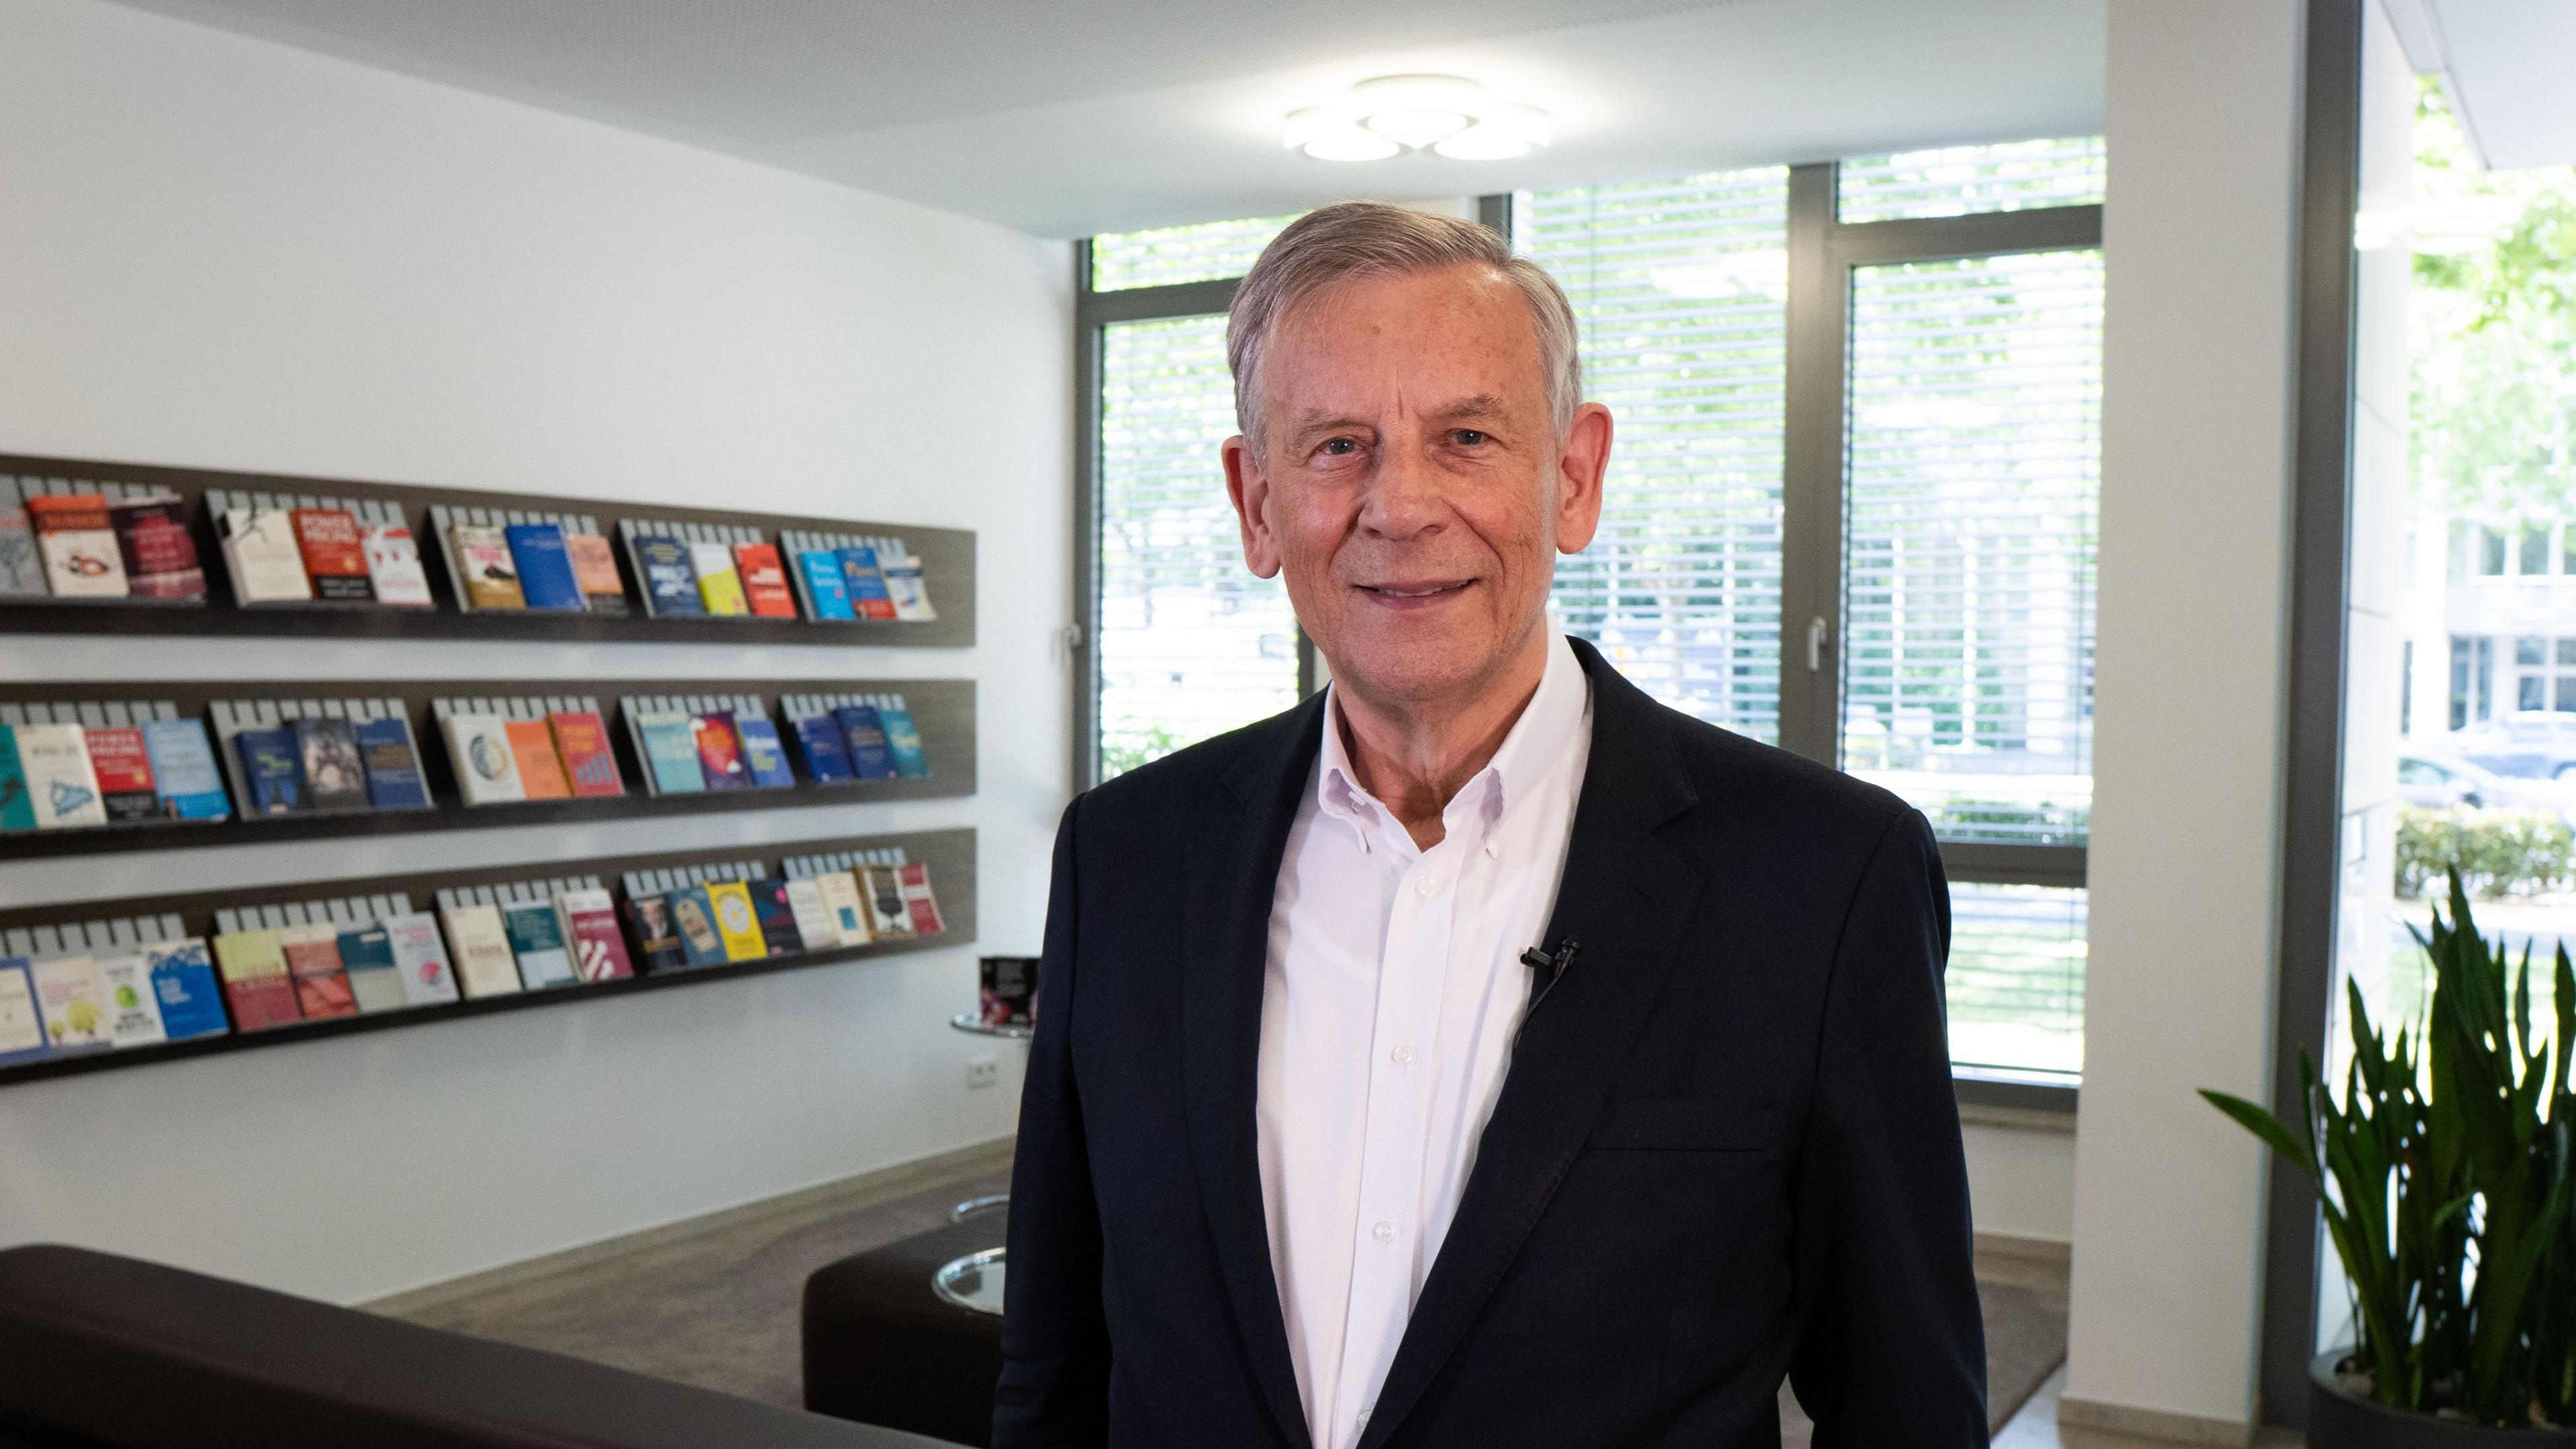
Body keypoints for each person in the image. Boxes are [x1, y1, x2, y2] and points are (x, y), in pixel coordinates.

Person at [997, 201, 1985, 1449]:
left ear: (1571, 477)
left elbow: (1906, 1408)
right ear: (1255, 502)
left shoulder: (1825, 879)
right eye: (1337, 446)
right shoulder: (1124, 856)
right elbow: (1054, 1367)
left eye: (1465, 436)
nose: (1398, 507)